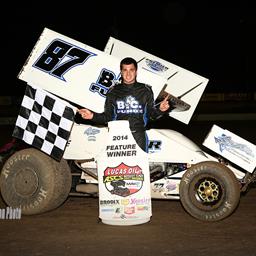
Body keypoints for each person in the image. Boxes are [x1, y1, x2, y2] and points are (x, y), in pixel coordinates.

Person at [78, 57, 170, 152]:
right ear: (121, 72)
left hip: (139, 136)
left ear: (136, 71)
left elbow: (152, 115)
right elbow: (108, 117)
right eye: (125, 70)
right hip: (118, 136)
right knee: (117, 166)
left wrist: (160, 110)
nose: (128, 73)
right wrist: (92, 116)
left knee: (138, 166)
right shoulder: (113, 91)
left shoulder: (146, 90)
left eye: (131, 70)